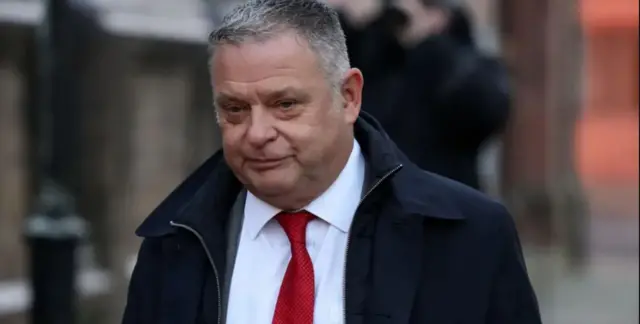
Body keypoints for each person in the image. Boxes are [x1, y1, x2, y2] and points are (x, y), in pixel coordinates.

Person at [122, 0, 541, 323]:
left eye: (285, 105)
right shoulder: (173, 245)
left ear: (349, 97)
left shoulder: (473, 239)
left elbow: (484, 107)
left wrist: (424, 40)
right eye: (234, 109)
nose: (257, 132)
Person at [332, 0, 510, 190]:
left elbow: (486, 111)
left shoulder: (464, 62)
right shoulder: (376, 59)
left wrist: (429, 46)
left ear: (442, 15)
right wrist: (357, 27)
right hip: (376, 201)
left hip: (444, 200)